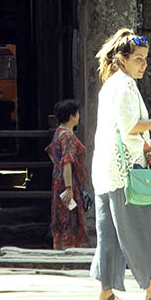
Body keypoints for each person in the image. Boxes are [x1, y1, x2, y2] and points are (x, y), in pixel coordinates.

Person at [90, 28, 151, 300]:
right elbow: (128, 127)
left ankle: (106, 292)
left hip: (104, 169)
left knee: (109, 232)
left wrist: (147, 141)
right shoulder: (125, 85)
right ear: (123, 60)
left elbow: (118, 128)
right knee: (142, 230)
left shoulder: (110, 84)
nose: (143, 64)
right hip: (125, 173)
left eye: (145, 59)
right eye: (138, 59)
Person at [46, 98, 89, 250]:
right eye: (77, 113)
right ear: (72, 116)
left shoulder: (58, 133)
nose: (79, 116)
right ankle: (69, 251)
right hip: (69, 183)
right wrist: (69, 187)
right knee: (71, 217)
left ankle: (60, 248)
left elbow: (52, 154)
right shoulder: (68, 136)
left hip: (59, 181)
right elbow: (67, 162)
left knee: (62, 216)